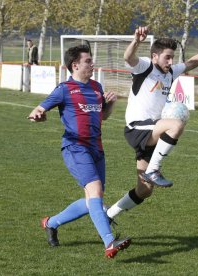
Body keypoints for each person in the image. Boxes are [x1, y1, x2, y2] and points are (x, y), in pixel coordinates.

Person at [106, 26, 198, 220]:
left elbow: (191, 63)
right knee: (176, 125)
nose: (171, 62)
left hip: (151, 130)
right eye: (167, 57)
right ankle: (153, 170)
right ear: (155, 56)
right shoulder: (145, 67)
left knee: (145, 190)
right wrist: (137, 41)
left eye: (172, 57)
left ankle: (109, 214)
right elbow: (128, 58)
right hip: (137, 127)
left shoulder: (170, 72)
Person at [27, 44, 131, 258]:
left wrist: (110, 104)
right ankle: (110, 242)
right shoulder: (64, 89)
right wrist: (37, 115)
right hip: (75, 146)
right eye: (88, 61)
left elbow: (102, 116)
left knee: (93, 200)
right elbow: (38, 109)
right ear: (75, 65)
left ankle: (51, 223)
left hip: (96, 148)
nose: (92, 64)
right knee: (95, 191)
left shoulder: (96, 87)